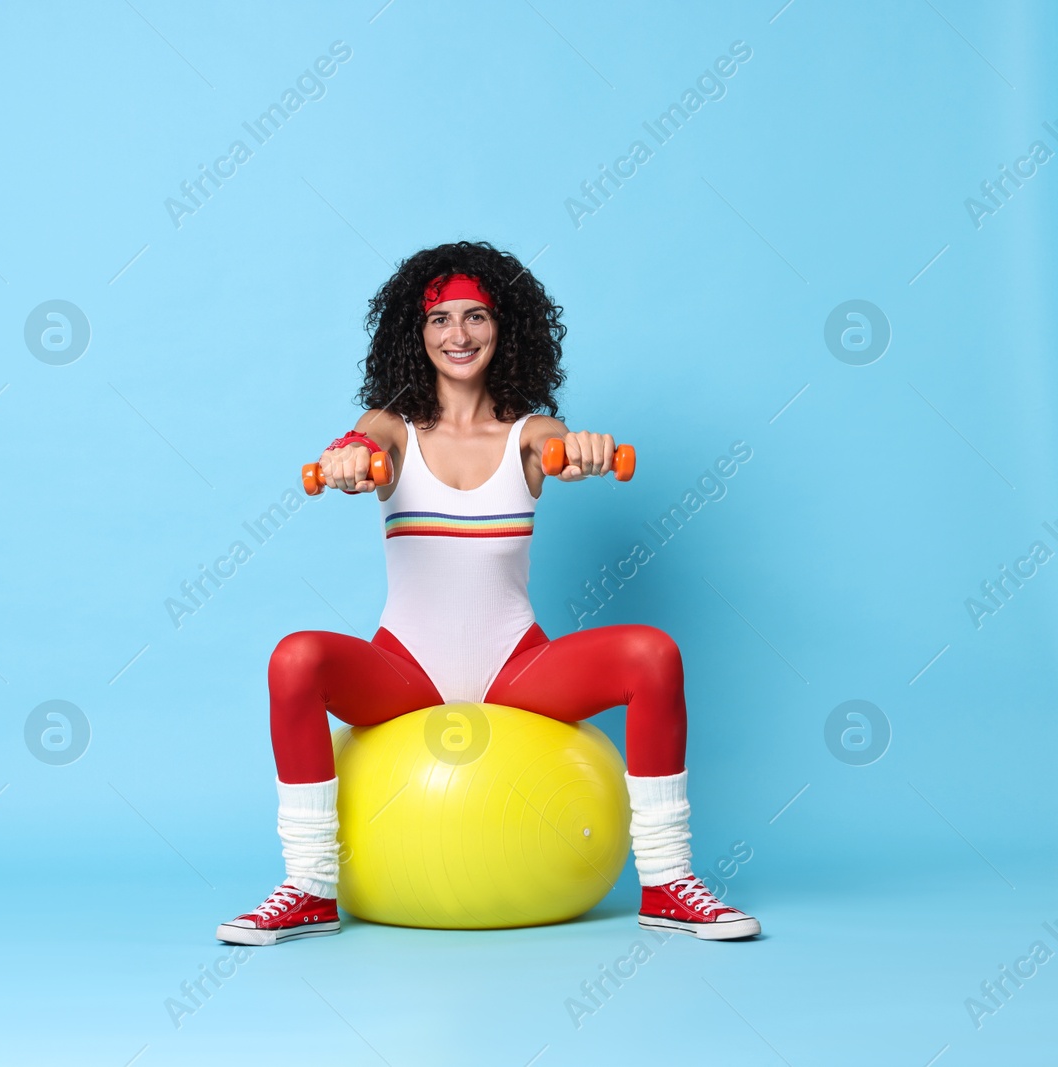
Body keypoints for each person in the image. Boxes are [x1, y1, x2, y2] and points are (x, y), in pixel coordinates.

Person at [216, 241, 760, 946]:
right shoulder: (394, 430)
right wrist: (346, 457)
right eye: (440, 320)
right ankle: (310, 888)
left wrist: (585, 451)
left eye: (476, 317)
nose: (459, 335)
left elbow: (556, 446)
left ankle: (667, 882)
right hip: (407, 671)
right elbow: (358, 440)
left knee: (652, 654)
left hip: (513, 669)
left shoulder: (530, 433)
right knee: (295, 659)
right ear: (416, 334)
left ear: (505, 329)